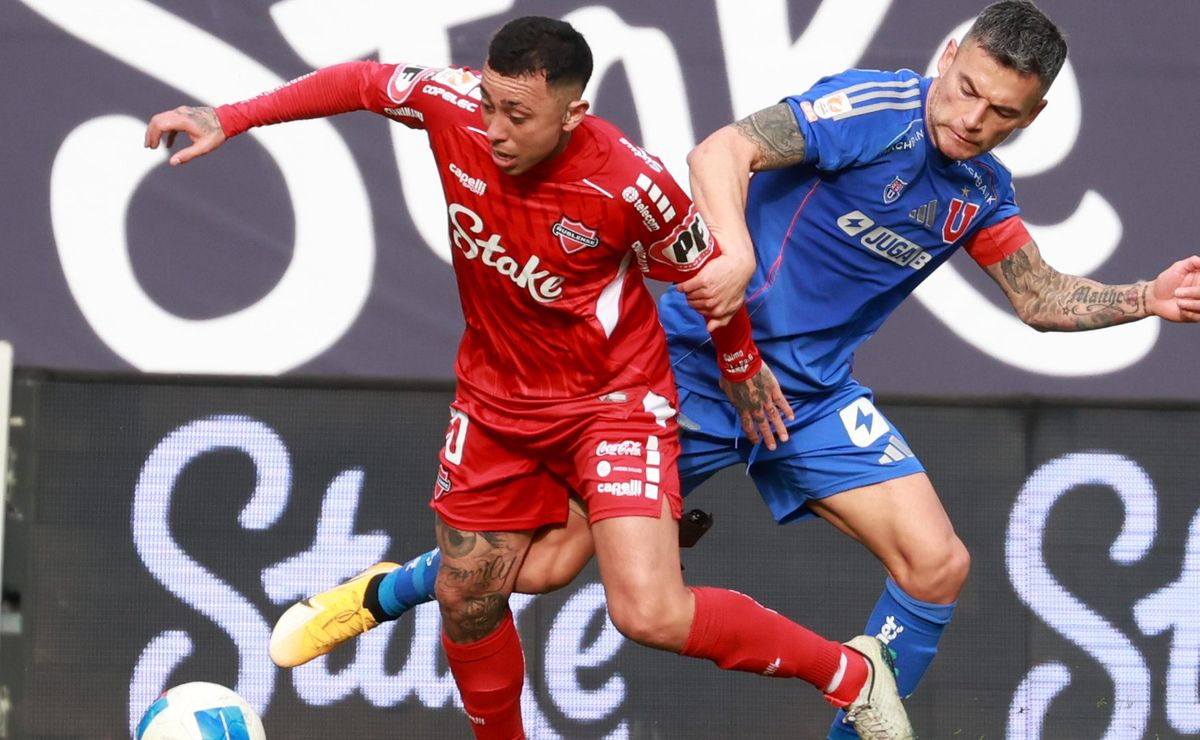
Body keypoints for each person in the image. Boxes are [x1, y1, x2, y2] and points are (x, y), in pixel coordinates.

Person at [256, 2, 1200, 738]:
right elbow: (727, 149)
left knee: (938, 564)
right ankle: (382, 593)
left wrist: (1145, 298)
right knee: (535, 572)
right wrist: (733, 257)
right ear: (948, 56)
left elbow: (1037, 298)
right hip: (692, 369)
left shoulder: (978, 190)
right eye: (967, 90)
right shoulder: (873, 111)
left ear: (1032, 115)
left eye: (1003, 112)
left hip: (809, 399)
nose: (973, 119)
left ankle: (854, 719)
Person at [145, 15, 916, 740]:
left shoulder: (632, 186)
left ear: (574, 111)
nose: (493, 129)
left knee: (647, 612)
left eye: (518, 115)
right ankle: (398, 602)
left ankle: (851, 673)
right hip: (495, 403)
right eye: (489, 104)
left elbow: (709, 280)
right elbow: (360, 81)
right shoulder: (452, 107)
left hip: (613, 405)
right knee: (474, 593)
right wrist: (232, 117)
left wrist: (742, 368)